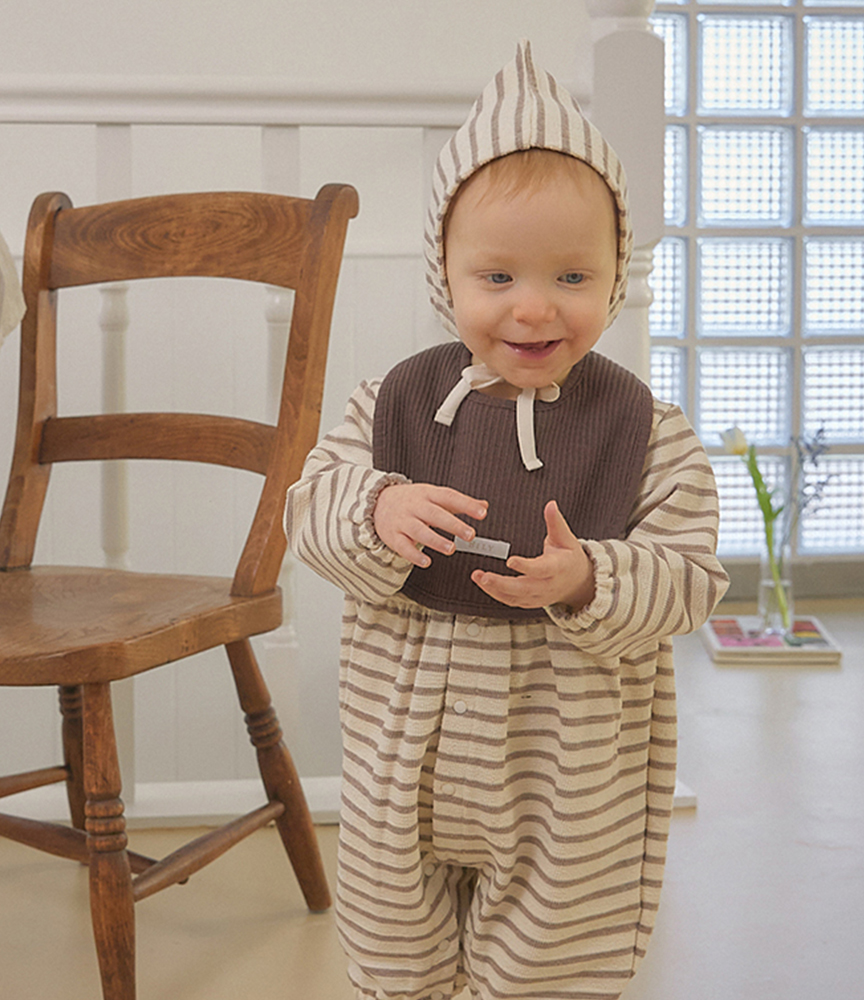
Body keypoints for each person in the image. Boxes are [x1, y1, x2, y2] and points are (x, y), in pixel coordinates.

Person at [284, 40, 728, 1000]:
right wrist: (379, 506)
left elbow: (691, 577)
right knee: (393, 954)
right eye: (499, 279)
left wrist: (592, 578)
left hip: (568, 769)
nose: (534, 308)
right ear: (447, 274)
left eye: (572, 277)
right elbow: (308, 507)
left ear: (616, 273)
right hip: (400, 754)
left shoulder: (646, 430)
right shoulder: (391, 402)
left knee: (554, 961)